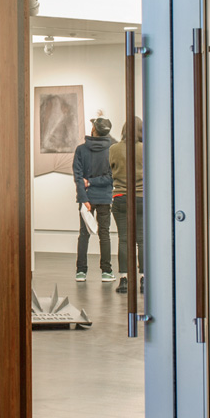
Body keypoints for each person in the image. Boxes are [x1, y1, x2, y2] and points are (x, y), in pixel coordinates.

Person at [73, 116, 115, 282]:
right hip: (104, 197)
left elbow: (78, 177)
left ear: (94, 130)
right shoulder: (112, 149)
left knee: (84, 234)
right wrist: (96, 182)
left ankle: (81, 271)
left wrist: (85, 195)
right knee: (104, 234)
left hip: (87, 198)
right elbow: (111, 177)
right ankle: (106, 271)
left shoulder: (81, 150)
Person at [110, 117, 144, 293]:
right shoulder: (146, 149)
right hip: (141, 198)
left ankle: (123, 279)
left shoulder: (114, 149)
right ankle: (144, 279)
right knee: (142, 240)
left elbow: (110, 169)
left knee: (124, 239)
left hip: (121, 197)